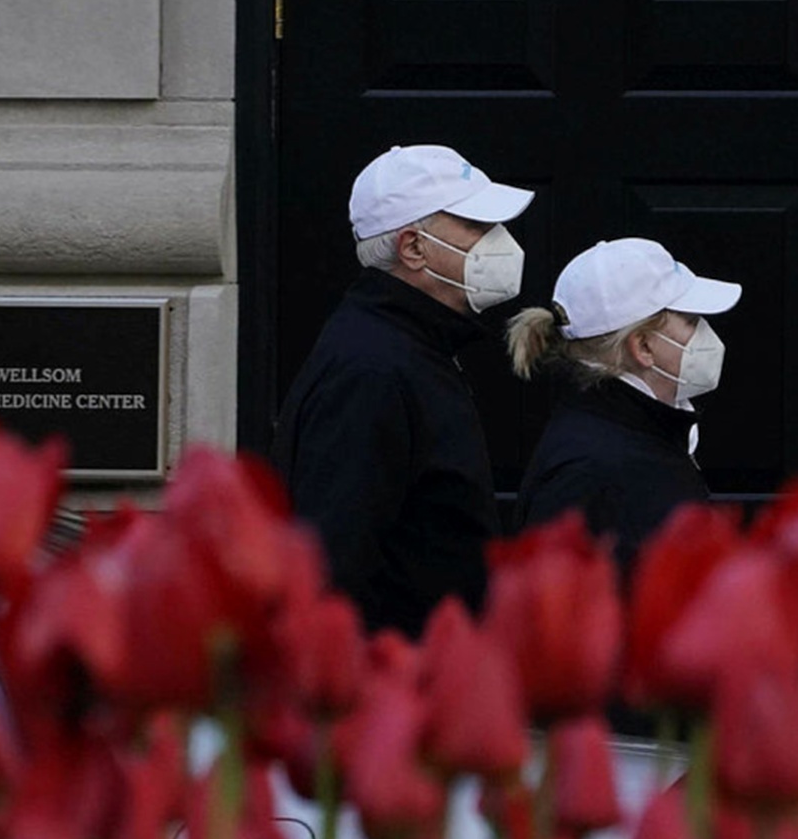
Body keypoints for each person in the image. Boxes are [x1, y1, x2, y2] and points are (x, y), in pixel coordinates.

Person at [273, 144, 534, 636]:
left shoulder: (412, 347)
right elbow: (335, 559)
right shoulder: (371, 370)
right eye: (477, 228)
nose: (500, 242)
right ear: (413, 248)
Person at [506, 237, 741, 576]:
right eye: (690, 320)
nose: (705, 332)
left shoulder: (644, 431)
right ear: (643, 346)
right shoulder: (590, 469)